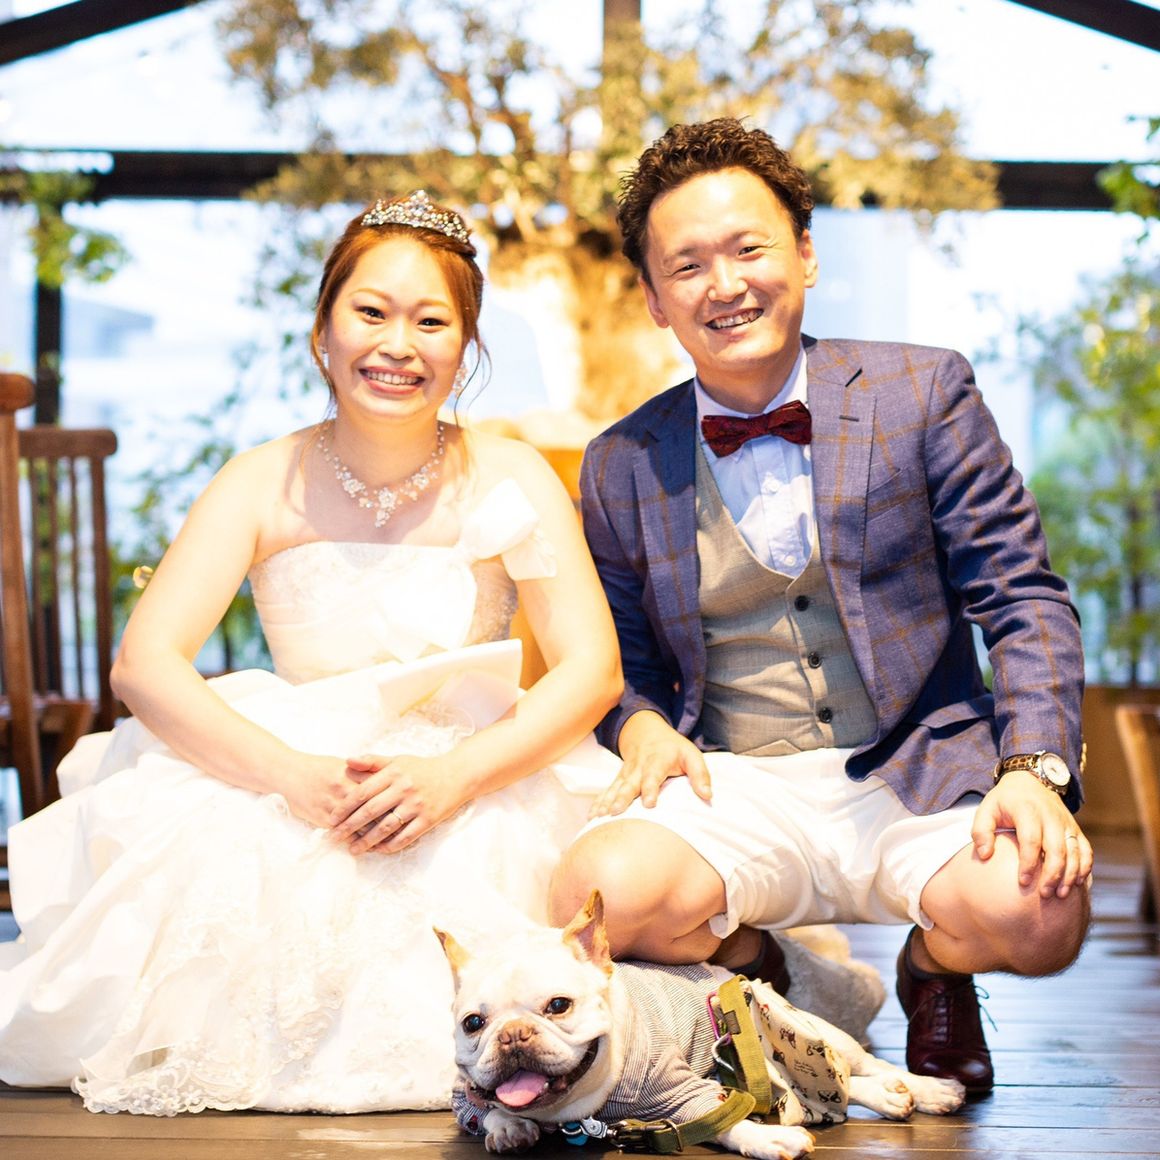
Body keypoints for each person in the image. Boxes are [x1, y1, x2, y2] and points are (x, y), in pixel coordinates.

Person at [0, 191, 626, 1114]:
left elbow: (591, 668)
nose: (397, 345)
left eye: (431, 322)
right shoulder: (258, 480)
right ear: (323, 329)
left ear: (466, 346)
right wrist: (293, 778)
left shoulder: (513, 474)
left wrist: (455, 779)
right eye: (371, 312)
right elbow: (145, 662)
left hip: (475, 768)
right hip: (296, 767)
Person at [549, 118, 1093, 1095]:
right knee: (595, 894)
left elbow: (1021, 594)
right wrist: (637, 725)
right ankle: (767, 967)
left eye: (748, 249)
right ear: (654, 298)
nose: (724, 285)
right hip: (732, 781)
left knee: (1041, 910)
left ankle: (932, 969)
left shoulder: (922, 390)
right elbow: (619, 662)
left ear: (803, 252)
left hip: (915, 770)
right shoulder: (619, 460)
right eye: (687, 265)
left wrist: (1031, 768)